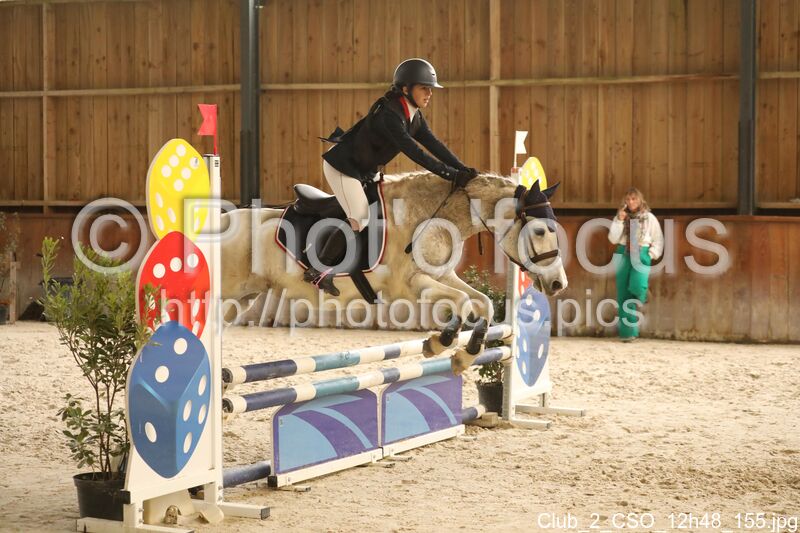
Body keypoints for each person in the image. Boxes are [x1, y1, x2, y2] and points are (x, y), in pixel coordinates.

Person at [304, 58, 478, 296]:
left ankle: (360, 268)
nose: (429, 94)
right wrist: (450, 174)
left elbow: (433, 145)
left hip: (365, 171)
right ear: (405, 89)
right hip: (343, 166)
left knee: (382, 211)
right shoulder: (390, 115)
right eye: (424, 88)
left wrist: (463, 169)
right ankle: (317, 269)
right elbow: (414, 152)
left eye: (430, 89)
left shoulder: (413, 116)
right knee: (360, 216)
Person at [607, 187, 663, 342]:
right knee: (623, 294)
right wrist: (619, 220)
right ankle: (628, 333)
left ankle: (642, 292)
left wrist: (651, 254)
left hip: (641, 251)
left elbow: (658, 238)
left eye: (634, 199)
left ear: (640, 200)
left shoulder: (649, 218)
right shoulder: (620, 217)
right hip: (623, 252)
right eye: (628, 199)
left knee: (637, 285)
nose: (631, 202)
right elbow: (612, 238)